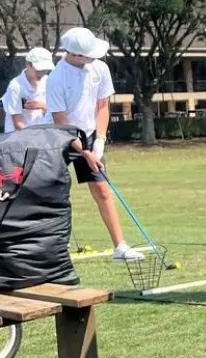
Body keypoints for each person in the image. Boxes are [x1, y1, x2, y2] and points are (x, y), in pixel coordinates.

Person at [46, 27, 145, 261]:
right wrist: (84, 152)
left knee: (101, 188)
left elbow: (102, 106)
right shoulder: (56, 79)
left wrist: (99, 141)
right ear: (74, 54)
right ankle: (52, 248)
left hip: (90, 133)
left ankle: (120, 247)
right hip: (57, 135)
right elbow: (60, 122)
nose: (93, 57)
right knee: (54, 192)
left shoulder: (99, 68)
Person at [2, 47, 56, 133]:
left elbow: (55, 112)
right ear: (27, 64)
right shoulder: (15, 86)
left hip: (42, 135)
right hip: (18, 139)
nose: (41, 74)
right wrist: (35, 137)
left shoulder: (48, 81)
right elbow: (18, 124)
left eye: (45, 70)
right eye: (38, 70)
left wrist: (43, 106)